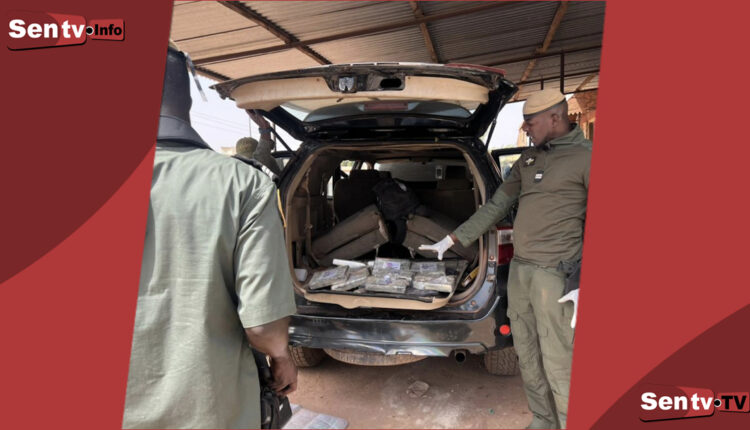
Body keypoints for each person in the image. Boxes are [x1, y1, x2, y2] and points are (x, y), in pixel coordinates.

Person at [122, 42, 298, 429]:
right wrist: (282, 357)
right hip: (208, 408)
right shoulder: (244, 183)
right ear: (187, 100)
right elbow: (264, 328)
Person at [420, 89, 591, 429]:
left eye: (530, 122)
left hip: (557, 276)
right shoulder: (529, 159)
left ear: (555, 118)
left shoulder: (587, 158)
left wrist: (584, 279)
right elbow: (498, 205)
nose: (525, 128)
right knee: (526, 352)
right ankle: (543, 419)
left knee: (559, 358)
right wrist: (453, 238)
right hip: (521, 272)